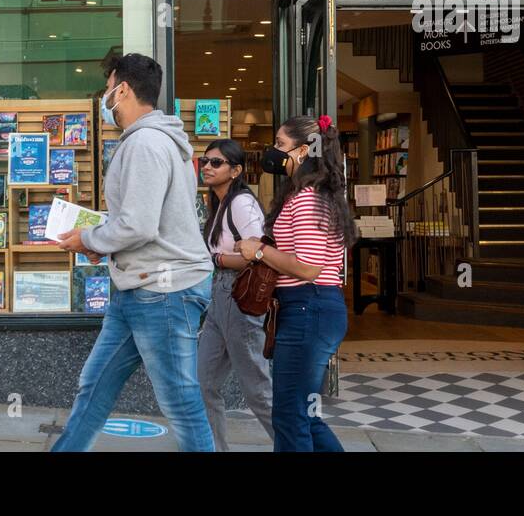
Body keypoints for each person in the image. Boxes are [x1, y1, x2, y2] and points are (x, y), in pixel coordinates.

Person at [52, 53, 215, 452]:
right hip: (139, 290)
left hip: (162, 291)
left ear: (122, 89)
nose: (104, 99)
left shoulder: (144, 143)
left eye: (107, 89)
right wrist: (101, 242)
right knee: (95, 385)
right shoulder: (156, 141)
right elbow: (137, 220)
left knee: (180, 401)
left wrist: (89, 240)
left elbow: (139, 225)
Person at [236, 114, 356, 452]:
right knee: (302, 414)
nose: (273, 152)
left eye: (280, 145)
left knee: (290, 415)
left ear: (303, 151)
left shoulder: (306, 199)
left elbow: (308, 267)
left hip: (308, 308)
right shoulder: (313, 195)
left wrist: (258, 251)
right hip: (310, 309)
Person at [196, 138, 275, 450]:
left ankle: (293, 444)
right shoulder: (219, 203)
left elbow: (259, 253)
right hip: (220, 296)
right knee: (203, 382)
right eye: (205, 161)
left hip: (239, 294)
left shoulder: (240, 203)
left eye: (216, 162)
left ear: (236, 170)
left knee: (257, 389)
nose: (207, 167)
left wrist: (217, 260)